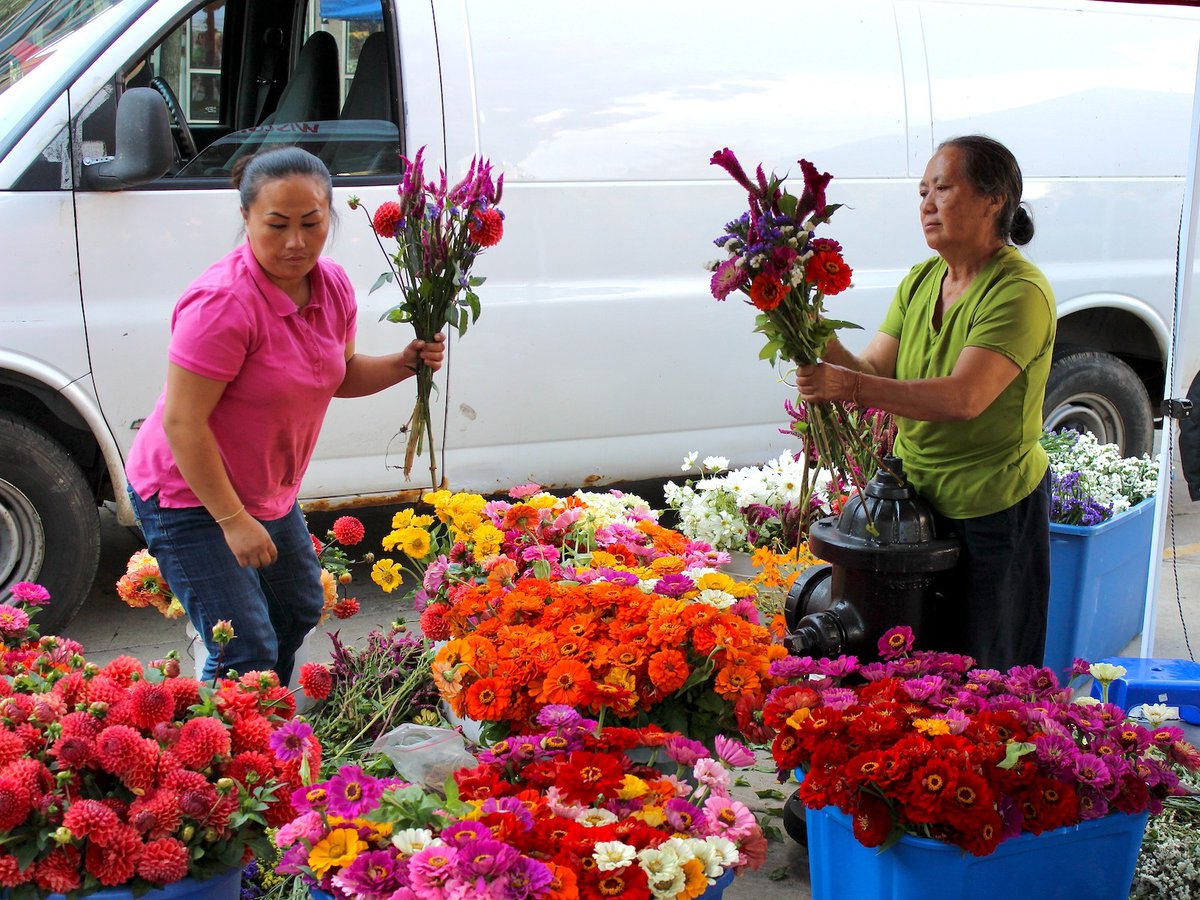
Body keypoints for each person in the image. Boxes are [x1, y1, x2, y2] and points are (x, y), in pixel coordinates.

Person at [125, 146, 445, 682]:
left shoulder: (333, 285)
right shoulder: (222, 304)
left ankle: (259, 720)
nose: (295, 242)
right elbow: (184, 422)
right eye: (276, 225)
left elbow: (336, 374)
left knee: (295, 609)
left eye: (311, 223)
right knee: (243, 646)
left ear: (330, 217)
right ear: (246, 217)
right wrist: (232, 521)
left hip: (266, 491)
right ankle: (223, 745)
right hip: (189, 495)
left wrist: (402, 363)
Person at [796, 135, 1056, 671]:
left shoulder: (1018, 292)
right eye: (922, 192)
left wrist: (846, 388)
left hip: (993, 508)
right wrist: (804, 320)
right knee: (921, 665)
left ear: (994, 200)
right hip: (917, 508)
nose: (927, 205)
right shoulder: (921, 281)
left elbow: (964, 398)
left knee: (987, 667)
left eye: (942, 188)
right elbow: (868, 371)